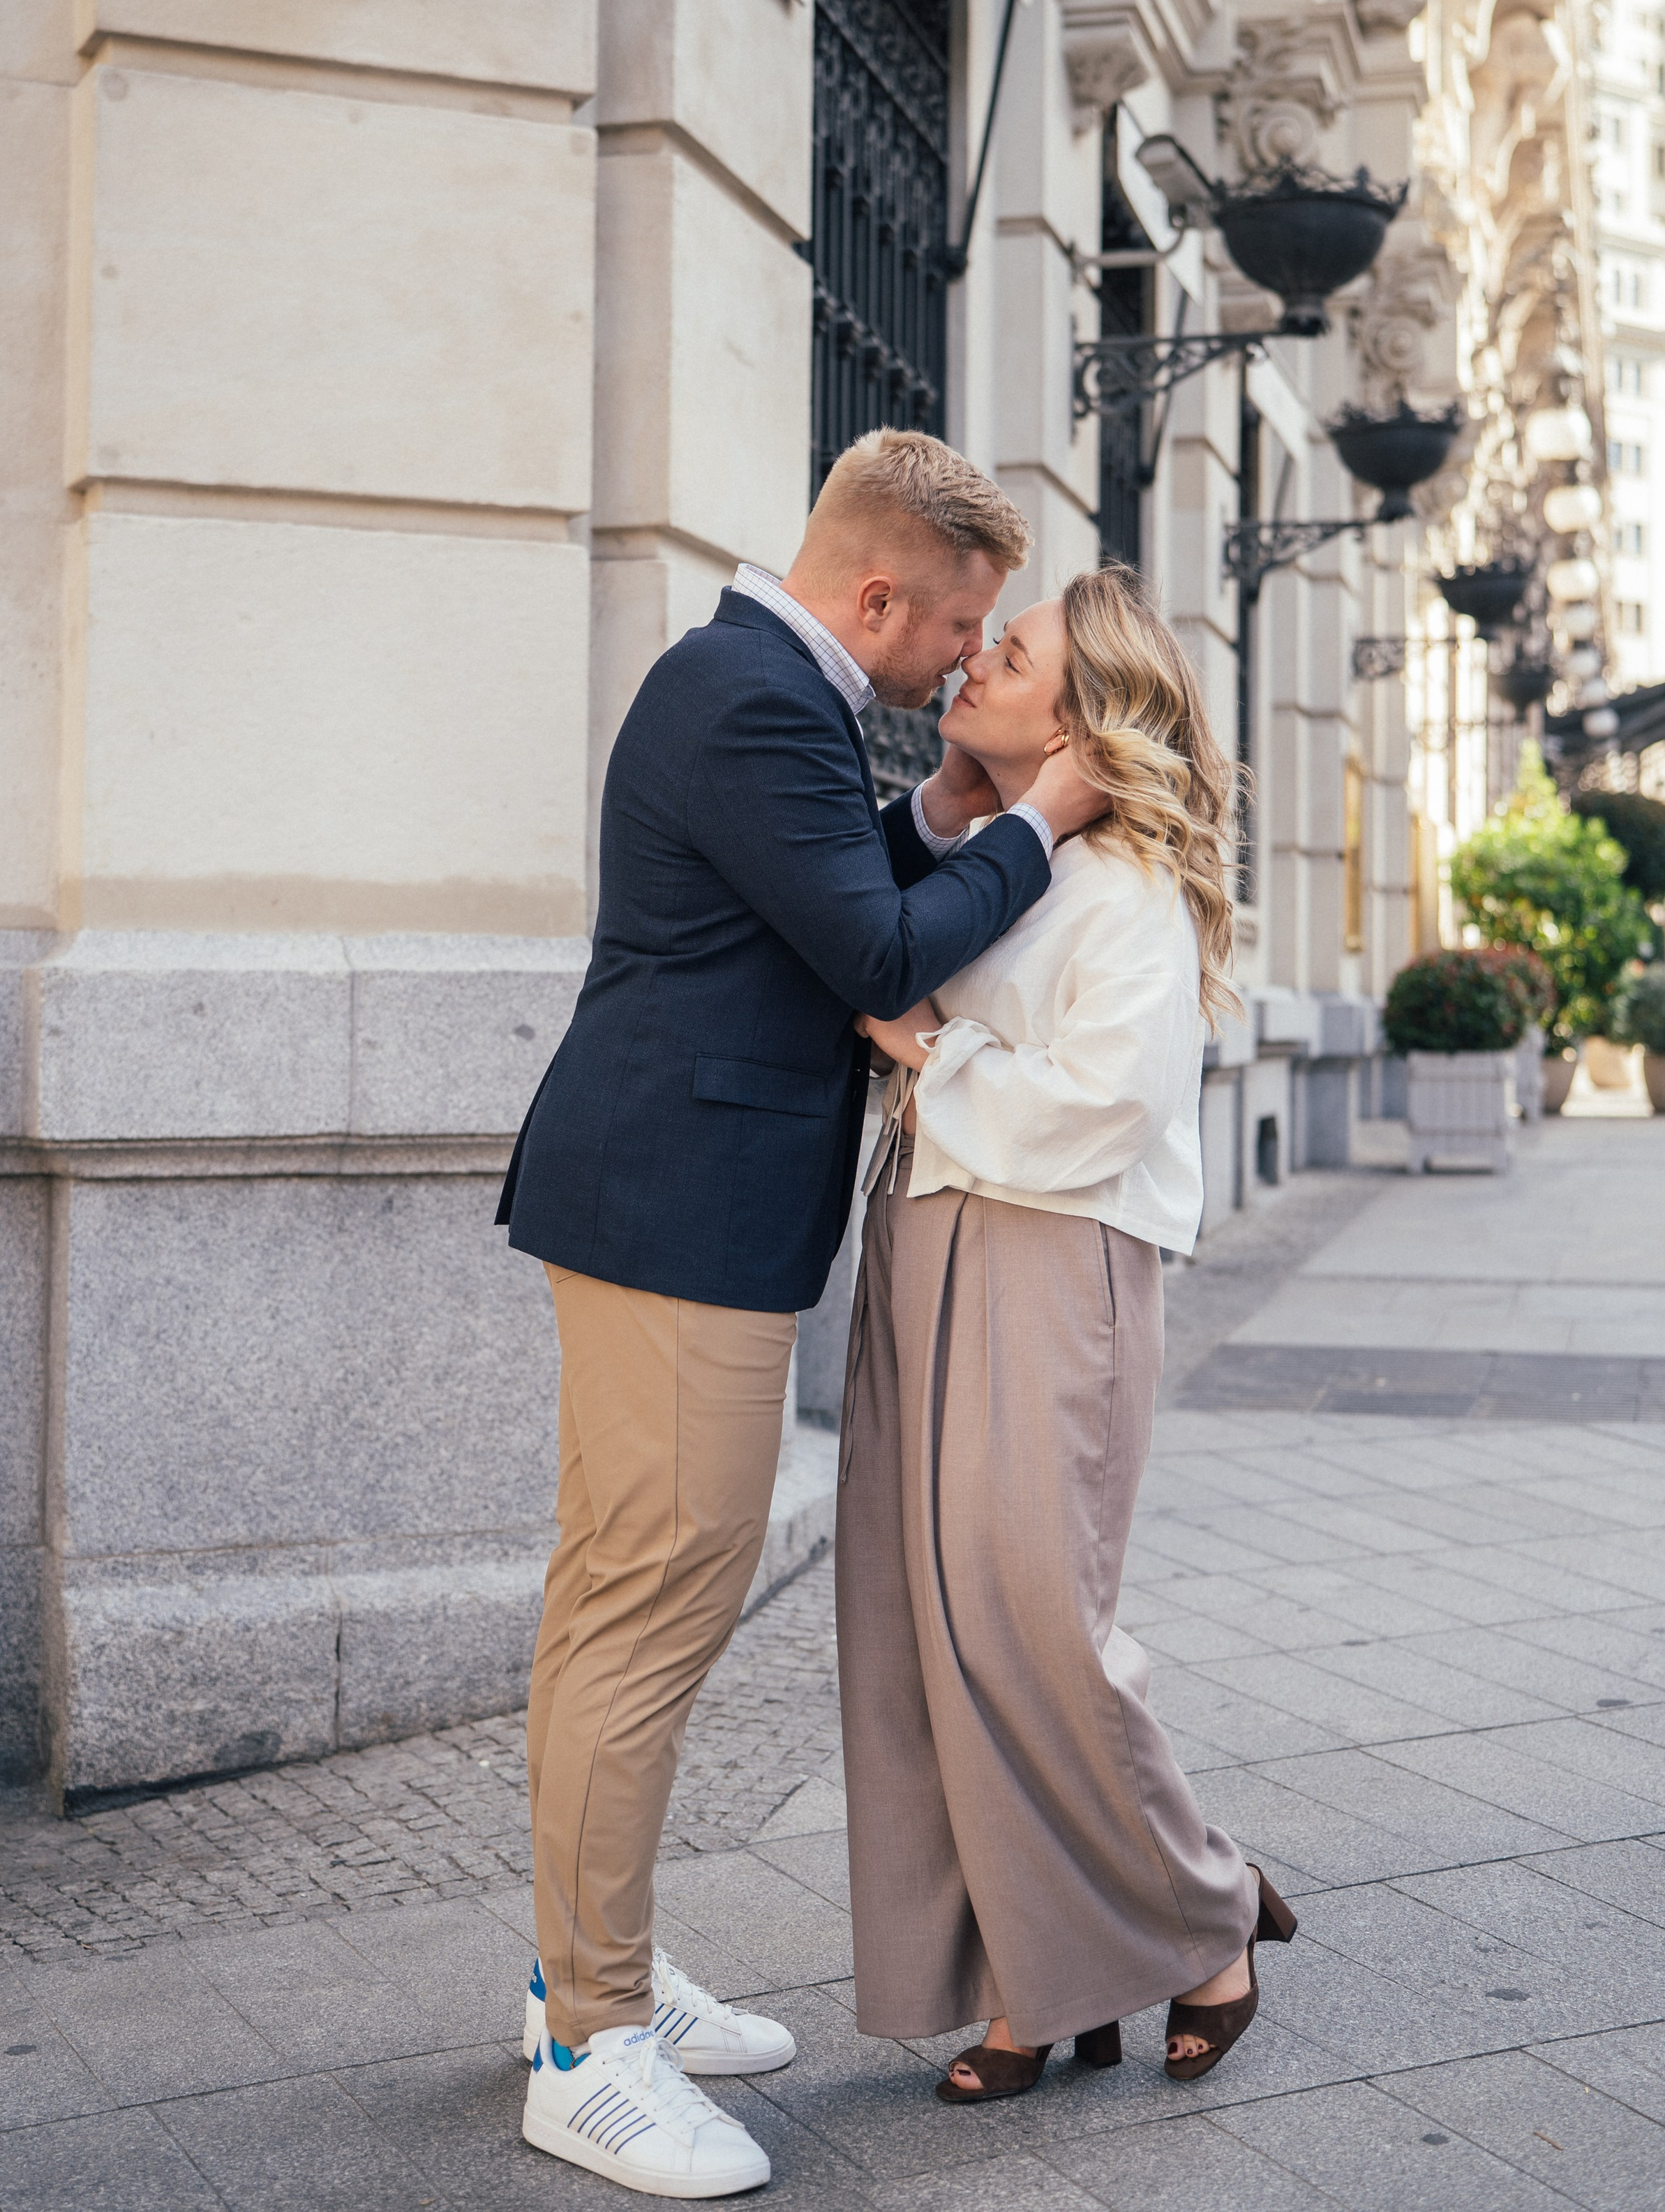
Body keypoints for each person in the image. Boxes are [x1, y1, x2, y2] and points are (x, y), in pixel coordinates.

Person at [499, 430, 1107, 2197]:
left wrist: (931, 822)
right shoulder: (757, 691)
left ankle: (579, 1974)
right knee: (646, 1608)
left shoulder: (755, 680)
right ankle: (588, 2043)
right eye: (955, 626)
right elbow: (866, 954)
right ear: (876, 595)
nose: (959, 662)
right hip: (672, 1212)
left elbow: (812, 882)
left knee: (616, 1595)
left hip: (666, 1200)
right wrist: (1047, 822)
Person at [839, 563, 1298, 2109]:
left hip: (1054, 1255)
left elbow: (1106, 1105)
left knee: (1036, 1619)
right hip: (925, 1235)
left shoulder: (1129, 889)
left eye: (1006, 651)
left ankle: (1205, 1904)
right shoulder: (996, 849)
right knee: (934, 1630)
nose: (970, 660)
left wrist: (926, 1050)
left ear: (1083, 712)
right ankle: (1035, 1983)